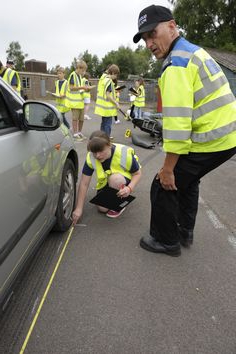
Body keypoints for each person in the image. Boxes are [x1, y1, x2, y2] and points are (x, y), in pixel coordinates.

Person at [133, 5, 236, 256]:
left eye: (152, 34)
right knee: (187, 182)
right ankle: (184, 230)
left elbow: (178, 125)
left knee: (163, 184)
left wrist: (167, 169)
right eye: (145, 38)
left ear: (171, 26)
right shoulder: (193, 51)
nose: (149, 43)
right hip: (226, 137)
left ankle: (166, 240)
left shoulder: (176, 64)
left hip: (211, 138)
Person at [72, 130, 141, 224]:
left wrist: (129, 188)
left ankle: (120, 203)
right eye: (94, 152)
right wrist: (78, 209)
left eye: (100, 151)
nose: (97, 156)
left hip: (122, 181)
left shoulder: (123, 153)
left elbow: (137, 174)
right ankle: (114, 197)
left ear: (109, 145)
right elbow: (84, 183)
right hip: (106, 182)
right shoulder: (91, 157)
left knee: (115, 179)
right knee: (102, 209)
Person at [66, 60, 91, 141]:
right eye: (83, 70)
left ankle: (79, 132)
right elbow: (71, 87)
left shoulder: (80, 77)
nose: (84, 72)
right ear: (79, 68)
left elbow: (79, 89)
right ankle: (75, 133)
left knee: (81, 119)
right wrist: (82, 87)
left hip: (80, 102)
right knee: (75, 119)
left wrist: (85, 89)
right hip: (74, 102)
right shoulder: (73, 75)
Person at [94, 64, 120, 137]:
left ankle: (102, 138)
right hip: (108, 108)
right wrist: (116, 103)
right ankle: (106, 139)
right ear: (113, 73)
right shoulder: (109, 81)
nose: (116, 77)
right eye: (116, 75)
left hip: (103, 107)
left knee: (104, 123)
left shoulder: (104, 78)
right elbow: (108, 95)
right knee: (107, 125)